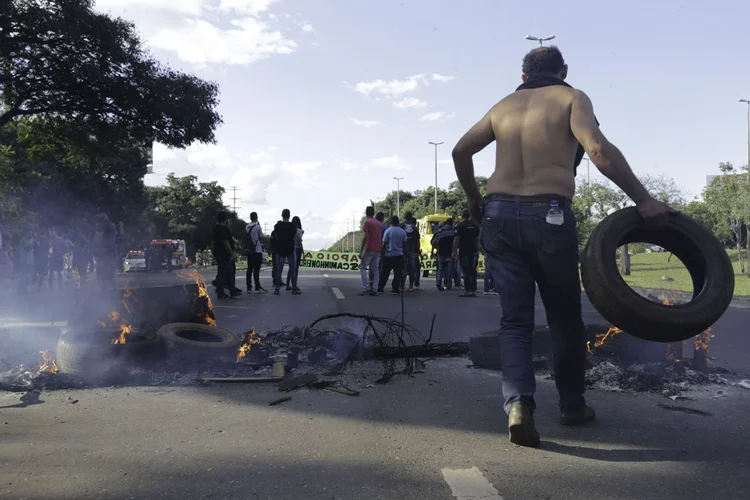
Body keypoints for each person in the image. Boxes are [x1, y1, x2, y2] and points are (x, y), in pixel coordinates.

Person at [452, 45, 673, 447]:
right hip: (548, 212)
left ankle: (518, 405)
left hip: (499, 214)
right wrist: (643, 198)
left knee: (514, 322)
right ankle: (571, 405)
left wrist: (473, 200)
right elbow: (597, 149)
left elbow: (460, 150)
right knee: (564, 318)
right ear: (564, 70)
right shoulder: (572, 97)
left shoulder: (502, 105)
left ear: (523, 77)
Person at [212, 211, 240, 299]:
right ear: (225, 219)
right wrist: (232, 254)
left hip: (218, 253)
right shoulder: (224, 229)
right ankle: (221, 289)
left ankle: (230, 291)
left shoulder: (215, 228)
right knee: (226, 272)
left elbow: (212, 242)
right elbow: (226, 242)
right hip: (225, 253)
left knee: (225, 271)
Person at [377, 215, 407, 295]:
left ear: (391, 222)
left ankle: (380, 288)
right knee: (398, 273)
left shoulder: (388, 231)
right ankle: (395, 289)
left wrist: (382, 255)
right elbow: (404, 245)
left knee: (385, 273)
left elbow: (384, 244)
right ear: (398, 222)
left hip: (389, 255)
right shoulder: (402, 232)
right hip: (399, 255)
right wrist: (405, 255)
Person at [454, 208, 480, 297]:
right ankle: (473, 290)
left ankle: (467, 290)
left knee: (465, 271)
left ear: (462, 215)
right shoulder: (475, 225)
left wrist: (454, 251)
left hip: (464, 251)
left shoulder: (460, 226)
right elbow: (478, 239)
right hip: (474, 252)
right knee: (473, 271)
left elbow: (457, 239)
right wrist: (479, 250)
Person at [273, 209, 300, 295]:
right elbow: (295, 238)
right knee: (292, 269)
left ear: (282, 215)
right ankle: (294, 288)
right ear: (289, 215)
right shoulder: (293, 226)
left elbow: (276, 237)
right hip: (290, 249)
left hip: (280, 249)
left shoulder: (277, 226)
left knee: (279, 270)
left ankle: (277, 289)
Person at [359, 206, 382, 296]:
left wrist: (361, 251)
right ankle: (375, 288)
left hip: (369, 248)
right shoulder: (378, 223)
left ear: (366, 212)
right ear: (373, 213)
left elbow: (366, 237)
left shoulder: (367, 222)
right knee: (375, 269)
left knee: (362, 267)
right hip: (377, 249)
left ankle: (366, 287)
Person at [431, 219, 456, 291]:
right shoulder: (454, 232)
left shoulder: (439, 232)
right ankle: (448, 285)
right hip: (450, 253)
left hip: (441, 252)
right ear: (452, 224)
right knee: (449, 270)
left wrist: (434, 251)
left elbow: (433, 242)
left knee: (440, 270)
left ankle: (439, 281)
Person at [244, 212, 266, 293]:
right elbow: (262, 236)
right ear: (256, 217)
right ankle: (257, 287)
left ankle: (248, 287)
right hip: (257, 250)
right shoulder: (257, 227)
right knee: (256, 270)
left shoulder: (246, 227)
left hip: (249, 251)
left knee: (249, 269)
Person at [399, 211, 421, 291]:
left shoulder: (400, 226)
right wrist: (418, 251)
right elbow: (417, 241)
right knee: (412, 268)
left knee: (403, 268)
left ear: (404, 216)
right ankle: (411, 286)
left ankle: (402, 286)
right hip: (412, 250)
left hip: (402, 250)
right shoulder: (414, 227)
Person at [286, 216, 304, 290]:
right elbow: (299, 241)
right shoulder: (299, 231)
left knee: (290, 267)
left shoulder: (289, 230)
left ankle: (287, 284)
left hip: (290, 248)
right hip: (297, 249)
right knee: (296, 268)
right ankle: (294, 284)